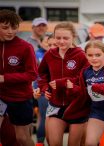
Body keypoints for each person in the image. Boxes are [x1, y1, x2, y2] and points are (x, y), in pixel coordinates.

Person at [37, 22, 89, 146]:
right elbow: (41, 74)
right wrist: (45, 88)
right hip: (56, 104)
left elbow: (85, 77)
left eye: (66, 38)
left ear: (73, 37)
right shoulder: (50, 54)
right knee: (54, 143)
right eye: (58, 38)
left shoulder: (81, 55)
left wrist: (62, 83)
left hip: (77, 106)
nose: (61, 41)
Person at [0, 9, 38, 146]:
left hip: (20, 98)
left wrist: (5, 78)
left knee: (22, 138)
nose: (10, 31)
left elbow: (32, 74)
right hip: (0, 96)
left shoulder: (25, 47)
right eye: (5, 28)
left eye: (14, 27)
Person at [33, 33, 57, 145]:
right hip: (42, 90)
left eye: (53, 44)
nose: (51, 46)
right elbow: (38, 75)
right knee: (44, 117)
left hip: (56, 92)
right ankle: (40, 142)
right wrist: (38, 88)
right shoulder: (39, 55)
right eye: (49, 43)